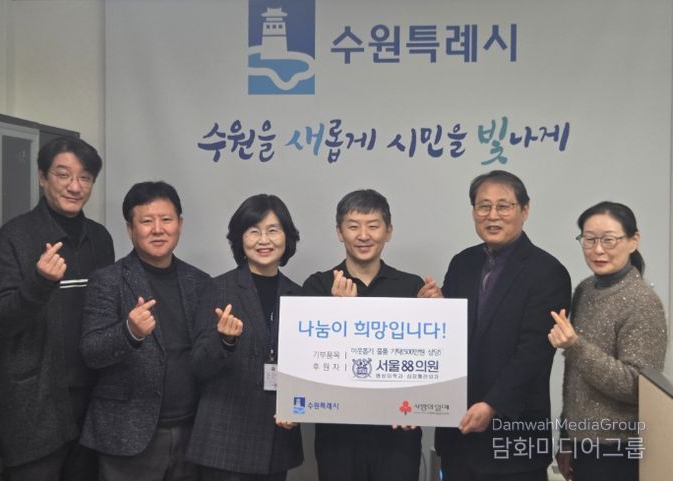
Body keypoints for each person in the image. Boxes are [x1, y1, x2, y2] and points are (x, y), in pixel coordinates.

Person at [434, 170, 572, 481]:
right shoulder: (462, 263)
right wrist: (435, 309)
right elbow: (451, 338)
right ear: (473, 211)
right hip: (459, 434)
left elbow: (534, 352)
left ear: (525, 210)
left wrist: (492, 404)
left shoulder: (548, 272)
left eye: (503, 206)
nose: (492, 215)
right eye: (483, 206)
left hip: (513, 439)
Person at [0, 136, 114, 481]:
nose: (75, 186)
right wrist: (39, 282)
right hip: (35, 400)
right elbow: (2, 319)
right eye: (63, 175)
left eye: (85, 177)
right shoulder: (14, 236)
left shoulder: (100, 238)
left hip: (91, 396)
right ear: (42, 176)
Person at [79, 181, 210, 481]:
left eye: (166, 219)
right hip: (128, 434)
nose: (158, 229)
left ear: (180, 224)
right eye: (147, 221)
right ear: (130, 229)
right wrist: (129, 332)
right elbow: (91, 351)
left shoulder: (200, 281)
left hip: (191, 431)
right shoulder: (108, 280)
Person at [302, 189, 432, 481]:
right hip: (338, 435)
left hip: (398, 434)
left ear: (388, 231)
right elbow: (307, 359)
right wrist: (338, 314)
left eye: (373, 226)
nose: (363, 235)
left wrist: (436, 313)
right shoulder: (318, 286)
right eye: (353, 226)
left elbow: (425, 360)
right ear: (339, 232)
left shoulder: (411, 287)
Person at [186, 194, 303, 481]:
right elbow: (197, 366)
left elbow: (307, 367)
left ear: (287, 237)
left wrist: (297, 408)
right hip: (225, 440)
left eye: (273, 230)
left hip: (277, 437)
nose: (264, 240)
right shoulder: (218, 289)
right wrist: (224, 341)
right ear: (240, 239)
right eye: (253, 231)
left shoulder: (298, 295)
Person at [548, 201, 667, 481]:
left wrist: (575, 346)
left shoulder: (642, 302)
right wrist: (566, 438)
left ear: (633, 240)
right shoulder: (585, 289)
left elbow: (636, 386)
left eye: (609, 240)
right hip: (582, 443)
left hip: (619, 447)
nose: (598, 249)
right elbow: (575, 380)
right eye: (589, 239)